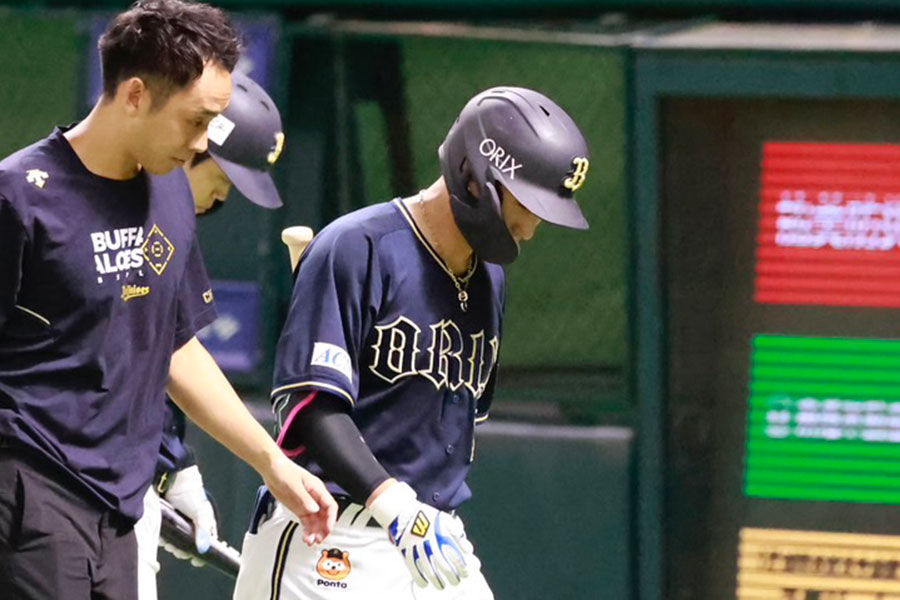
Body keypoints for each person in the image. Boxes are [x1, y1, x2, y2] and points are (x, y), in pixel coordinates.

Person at [0, 2, 335, 599]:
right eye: (196, 121)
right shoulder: (20, 200)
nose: (204, 142)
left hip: (122, 509)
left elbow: (174, 346)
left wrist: (270, 462)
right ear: (134, 95)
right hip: (30, 497)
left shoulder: (169, 195)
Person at [232, 86, 591, 599]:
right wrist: (394, 505)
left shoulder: (490, 277)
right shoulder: (357, 247)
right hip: (332, 529)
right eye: (527, 204)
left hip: (433, 533)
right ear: (475, 177)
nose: (531, 228)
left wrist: (419, 518)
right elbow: (312, 408)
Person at [134, 71, 288, 599]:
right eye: (225, 175)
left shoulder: (169, 220)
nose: (225, 195)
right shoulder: (113, 210)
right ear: (194, 142)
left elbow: (159, 356)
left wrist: (175, 467)